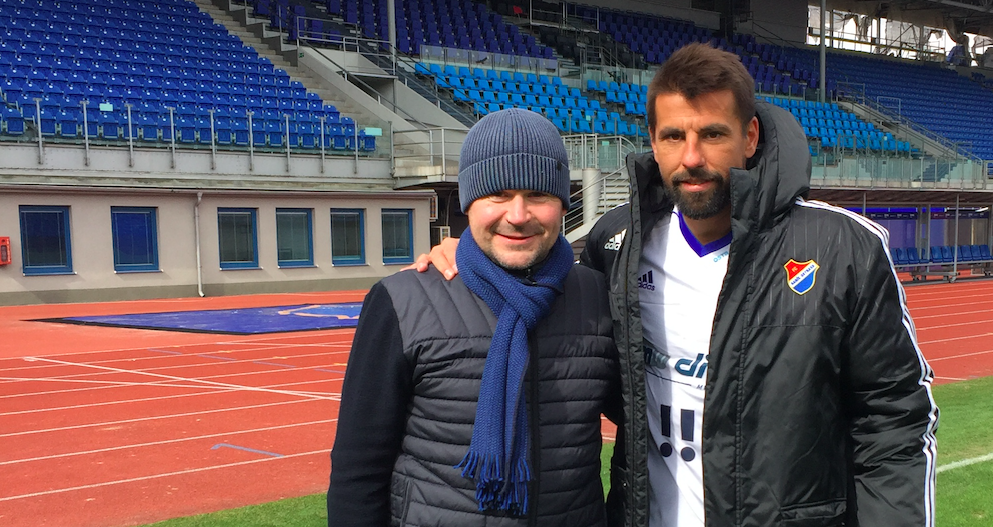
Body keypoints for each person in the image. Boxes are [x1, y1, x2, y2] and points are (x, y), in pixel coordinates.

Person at [415, 43, 939, 527]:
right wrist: (467, 256)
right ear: (653, 141)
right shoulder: (616, 243)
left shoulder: (844, 248)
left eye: (712, 134)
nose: (691, 158)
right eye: (673, 137)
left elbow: (895, 421)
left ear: (750, 137)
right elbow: (551, 304)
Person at [327, 108, 620, 526]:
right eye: (498, 194)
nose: (517, 215)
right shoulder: (402, 300)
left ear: (562, 203)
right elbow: (358, 469)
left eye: (538, 195)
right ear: (468, 203)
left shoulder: (596, 296)